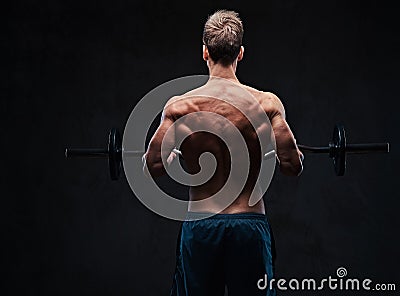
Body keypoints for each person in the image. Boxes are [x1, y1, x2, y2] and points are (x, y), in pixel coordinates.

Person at [143, 9, 303, 296]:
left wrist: (170, 159)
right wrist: (285, 154)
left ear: (205, 52)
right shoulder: (266, 105)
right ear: (240, 53)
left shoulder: (180, 107)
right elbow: (293, 166)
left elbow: (152, 166)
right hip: (249, 226)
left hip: (201, 226)